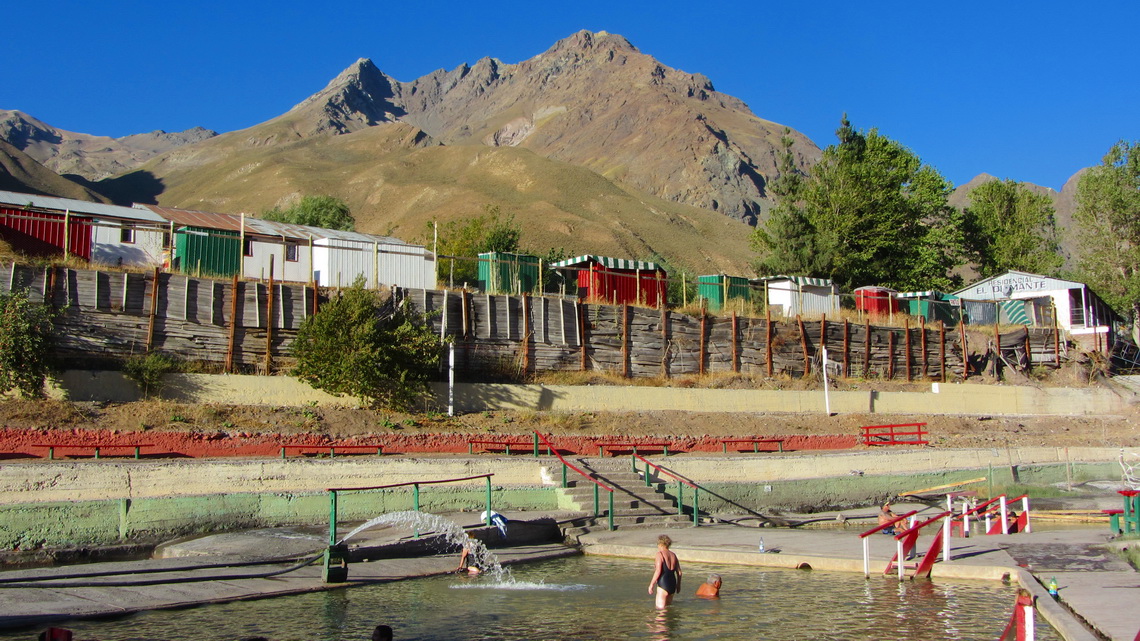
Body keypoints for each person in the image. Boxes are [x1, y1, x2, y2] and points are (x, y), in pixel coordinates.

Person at [648, 534, 681, 608]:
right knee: (668, 610)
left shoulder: (660, 554)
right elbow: (679, 572)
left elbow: (658, 571)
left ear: (660, 544)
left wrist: (651, 585)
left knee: (660, 612)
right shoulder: (673, 555)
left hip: (663, 584)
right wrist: (678, 585)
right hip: (672, 584)